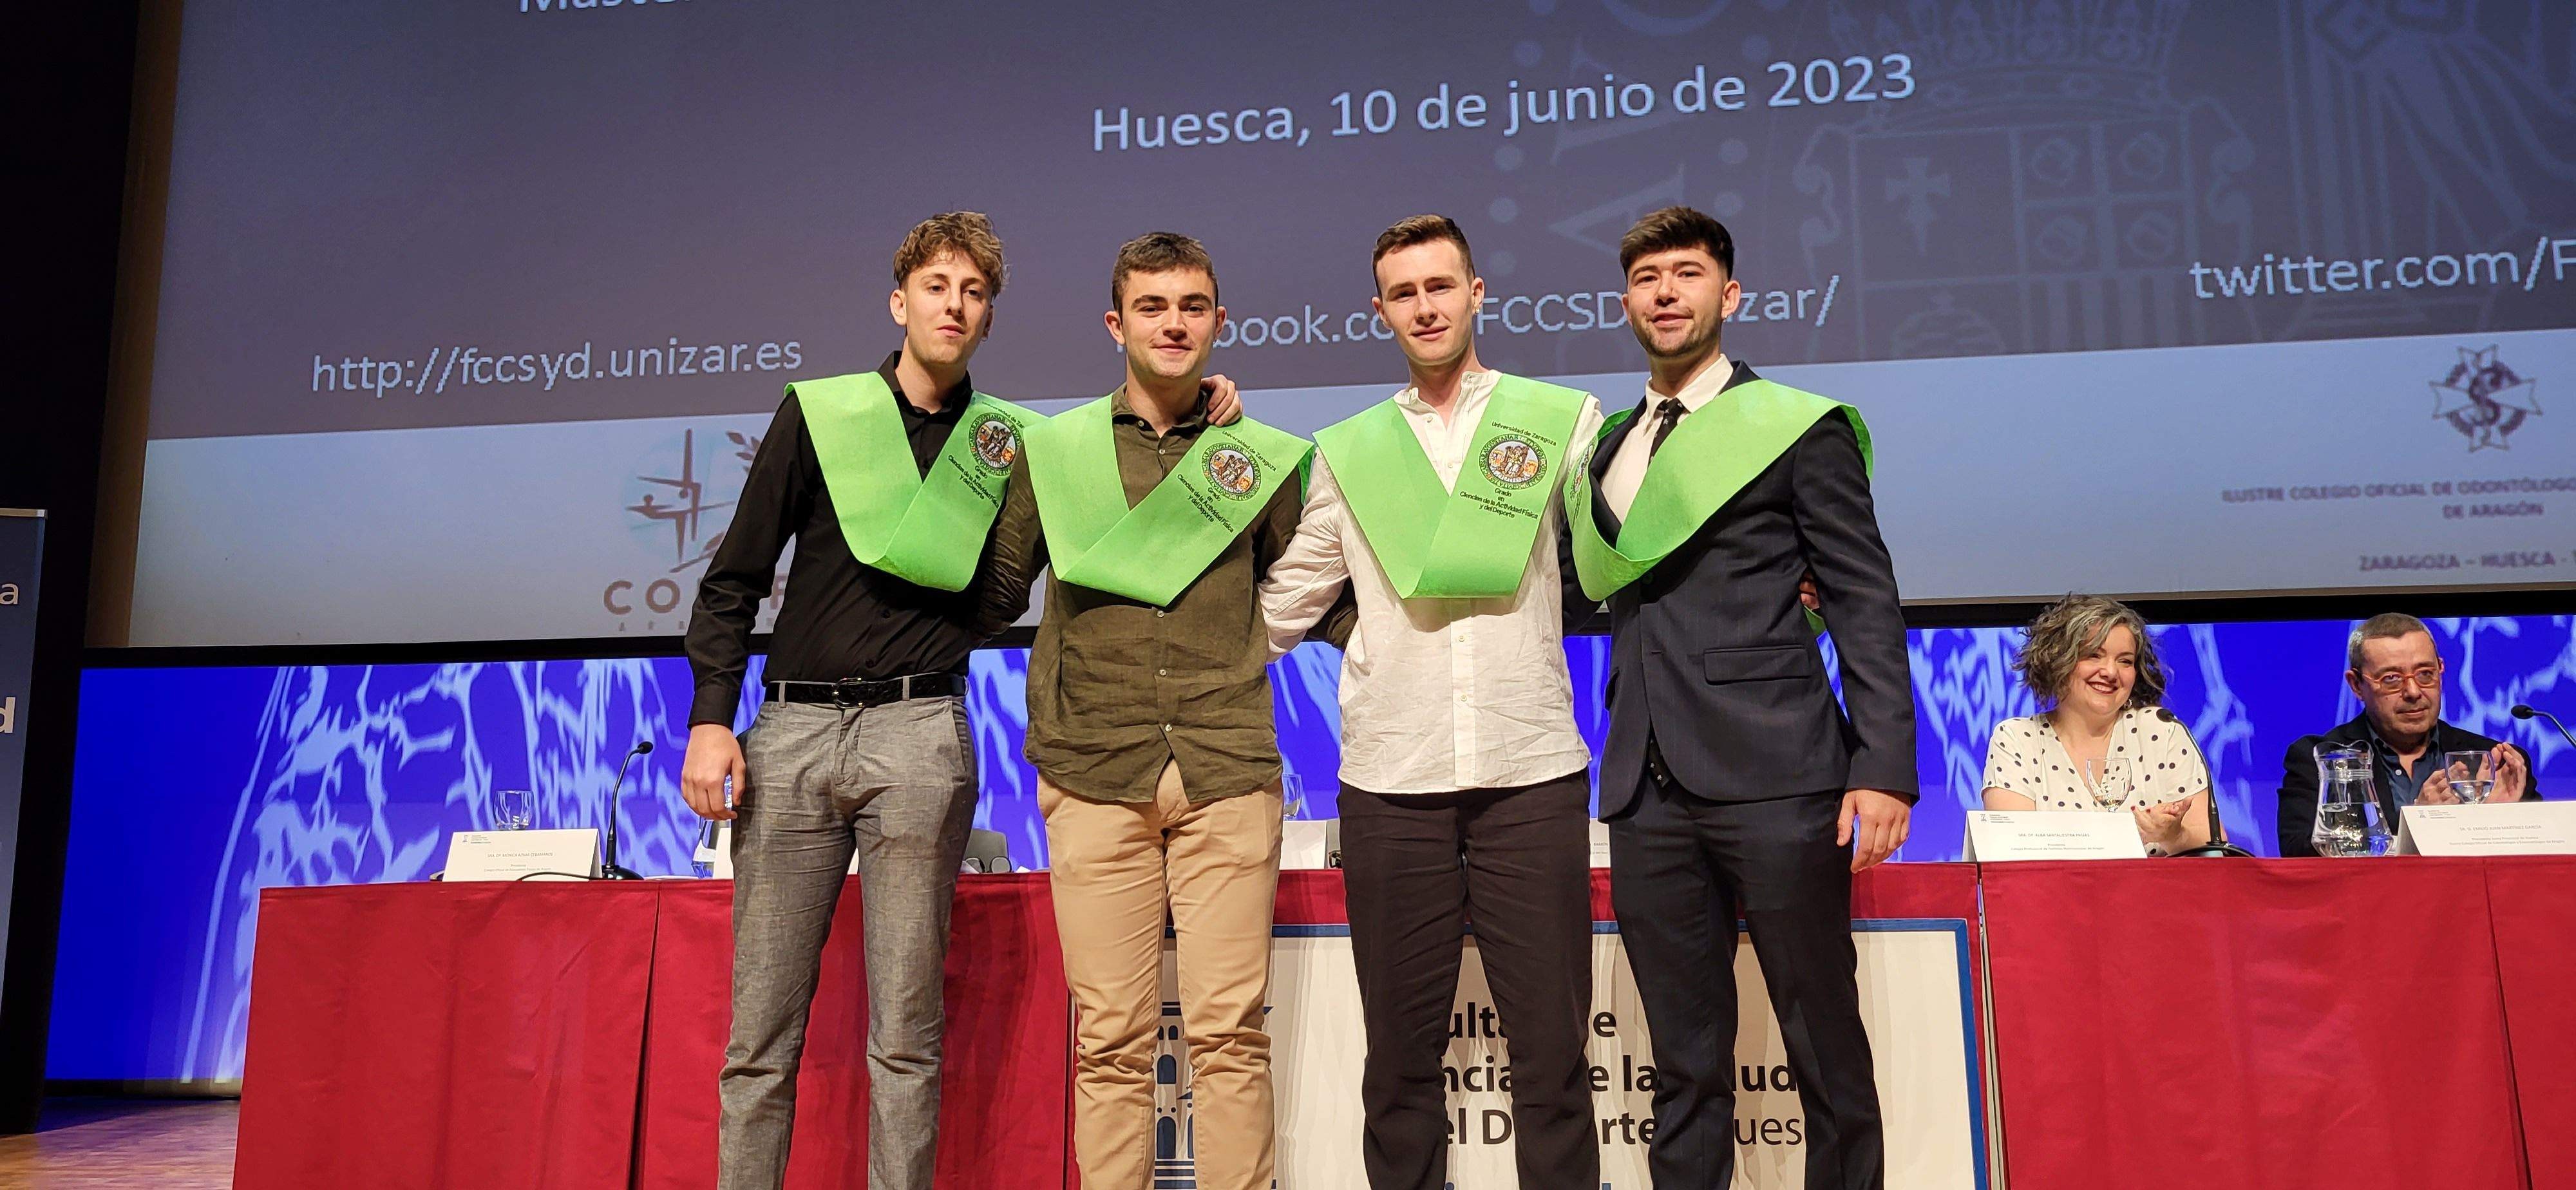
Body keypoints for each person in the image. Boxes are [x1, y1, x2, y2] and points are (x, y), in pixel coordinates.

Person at [676, 213, 1240, 1190]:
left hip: (921, 734)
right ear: (901, 303)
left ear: (989, 317)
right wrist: (712, 717)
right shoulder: (820, 414)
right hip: (794, 733)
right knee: (759, 1037)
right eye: (937, 287)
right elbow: (734, 578)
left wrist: (1209, 405)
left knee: (908, 1037)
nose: (955, 305)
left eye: (974, 293)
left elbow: (1022, 579)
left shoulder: (1008, 444)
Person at [1562, 206, 1914, 1190]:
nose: (1665, 292)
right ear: (1625, 302)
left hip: (1780, 774)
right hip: (1644, 786)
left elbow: (1862, 598)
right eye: (1646, 278)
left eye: (1686, 273)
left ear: (1731, 295)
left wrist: (1883, 763)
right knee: (1680, 1058)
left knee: (1822, 1043)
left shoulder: (1796, 427)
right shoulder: (1609, 445)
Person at [1258, 215, 1602, 1190]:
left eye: (1440, 286)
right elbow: (1288, 604)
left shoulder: (1557, 419)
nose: (1426, 306)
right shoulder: (1348, 451)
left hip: (1531, 772)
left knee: (1550, 1062)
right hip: (1390, 779)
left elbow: (1626, 551)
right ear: (1381, 312)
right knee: (1402, 1067)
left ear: (1477, 292)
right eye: (1404, 293)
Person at [974, 231, 1307, 1190]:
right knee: (1112, 1038)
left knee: (1231, 1035)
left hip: (1227, 764)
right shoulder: (1058, 450)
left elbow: (1317, 588)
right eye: (1153, 307)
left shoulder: (1258, 459)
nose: (1174, 323)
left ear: (1218, 322)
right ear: (1117, 323)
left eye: (1192, 306)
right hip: (1093, 765)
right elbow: (997, 589)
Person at [2277, 612, 2537, 855]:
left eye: (2425, 674)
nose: (2413, 691)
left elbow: (2544, 866)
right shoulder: (2321, 759)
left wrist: (2500, 820)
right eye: (2392, 678)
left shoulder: (2494, 762)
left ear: (2441, 669)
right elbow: (2298, 854)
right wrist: (2416, 826)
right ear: (2357, 685)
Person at [1980, 595, 2215, 854]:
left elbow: (2214, 846)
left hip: (2158, 893)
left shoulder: (2162, 730)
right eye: (2094, 656)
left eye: (2125, 661)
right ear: (2058, 661)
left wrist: (2174, 835)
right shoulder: (2018, 740)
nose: (2111, 672)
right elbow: (2013, 855)